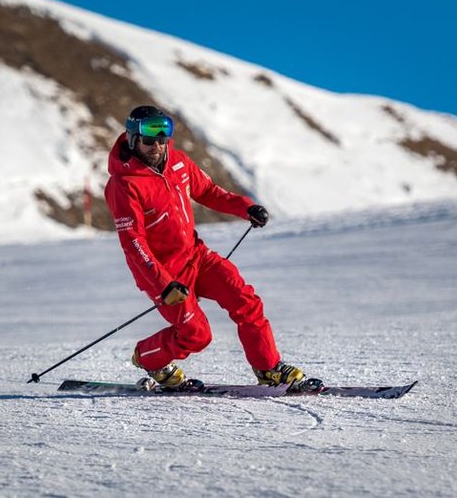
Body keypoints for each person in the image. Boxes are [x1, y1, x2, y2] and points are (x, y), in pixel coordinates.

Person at [104, 106, 318, 391]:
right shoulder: (124, 184)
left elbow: (208, 192)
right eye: (148, 139)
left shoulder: (178, 162)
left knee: (245, 299)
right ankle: (147, 357)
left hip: (196, 256)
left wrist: (246, 208)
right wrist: (164, 284)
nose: (157, 145)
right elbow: (133, 241)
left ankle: (268, 369)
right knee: (196, 335)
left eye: (163, 136)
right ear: (132, 139)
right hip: (163, 272)